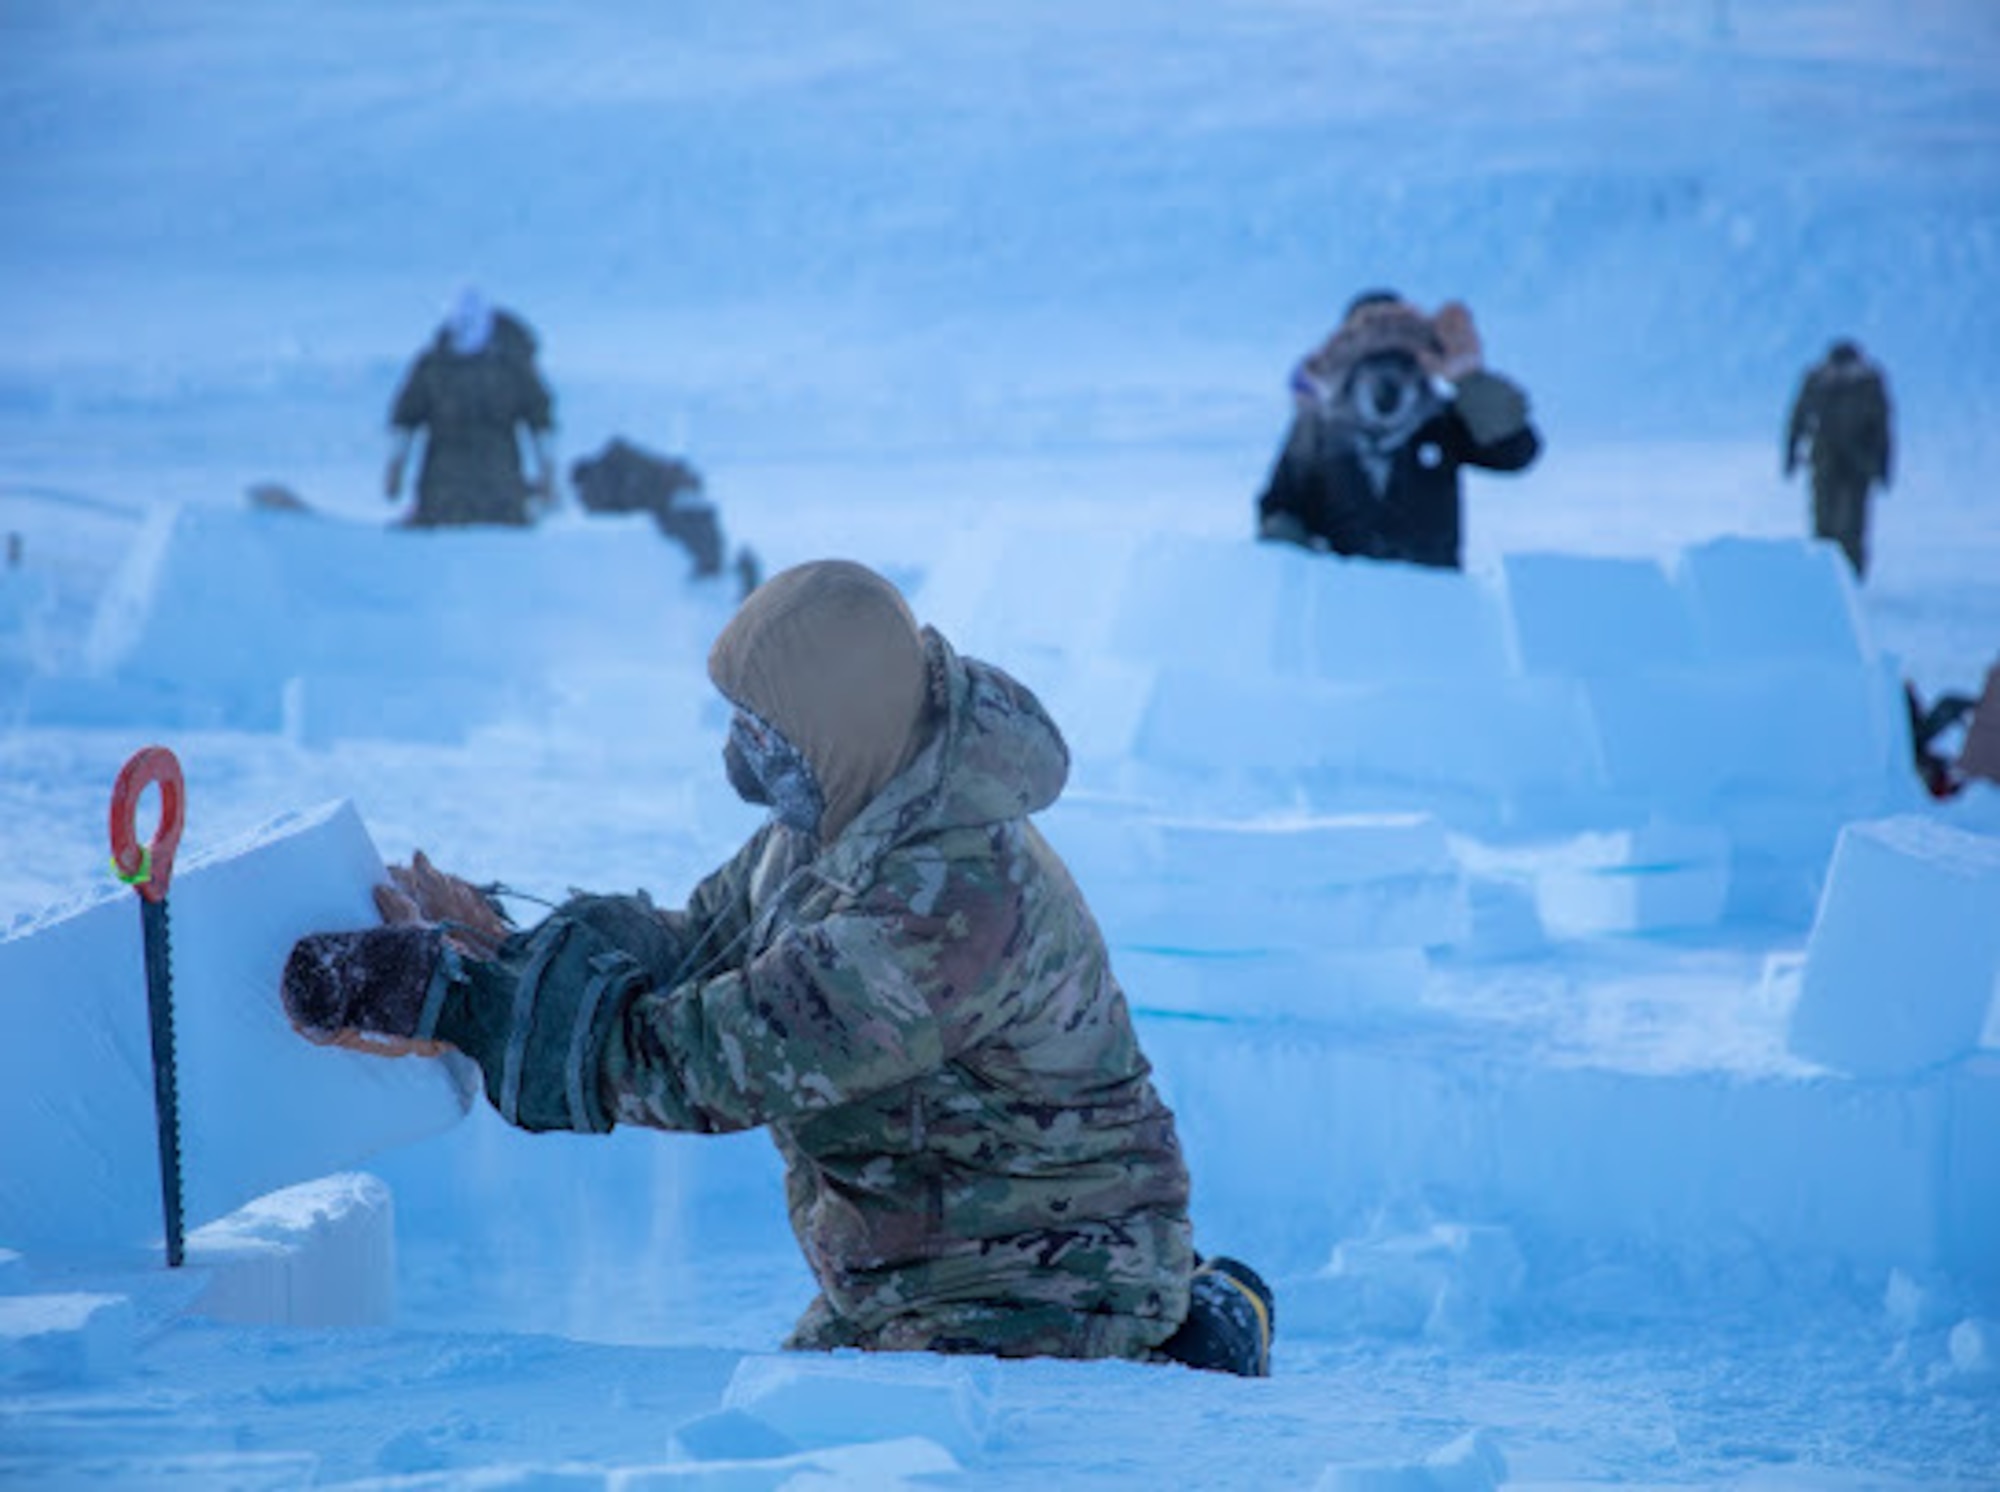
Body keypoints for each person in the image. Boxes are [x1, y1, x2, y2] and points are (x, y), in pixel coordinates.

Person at [279, 559, 1275, 1376]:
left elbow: (709, 1060)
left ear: (833, 725)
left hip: (1032, 1287)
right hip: (925, 1267)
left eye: (763, 729)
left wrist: (459, 1003)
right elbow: (704, 942)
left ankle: (1170, 1344)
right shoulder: (852, 800)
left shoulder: (945, 901)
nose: (741, 755)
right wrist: (505, 947)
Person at [1255, 290, 1541, 570]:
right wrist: (1302, 563)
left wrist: (1469, 381)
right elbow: (1281, 509)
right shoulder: (1320, 427)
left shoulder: (1438, 421)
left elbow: (1514, 451)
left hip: (1431, 600)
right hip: (1342, 602)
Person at [386, 287, 558, 528]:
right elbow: (406, 418)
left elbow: (541, 421)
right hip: (442, 493)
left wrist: (548, 473)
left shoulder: (511, 366)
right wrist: (395, 468)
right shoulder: (434, 365)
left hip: (499, 493)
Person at [1784, 339, 1893, 580]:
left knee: (1853, 525)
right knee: (1823, 522)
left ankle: (1852, 578)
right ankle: (1824, 577)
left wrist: (1884, 467)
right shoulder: (1816, 380)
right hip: (1824, 461)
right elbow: (1797, 417)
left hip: (1858, 465)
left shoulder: (1870, 384)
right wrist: (1790, 455)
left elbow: (1883, 429)